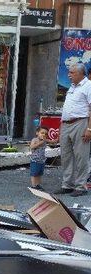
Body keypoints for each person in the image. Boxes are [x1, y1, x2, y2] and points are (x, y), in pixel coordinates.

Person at [55, 63, 91, 197]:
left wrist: (89, 128)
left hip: (80, 123)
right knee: (66, 155)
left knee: (81, 156)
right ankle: (67, 184)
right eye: (69, 72)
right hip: (66, 124)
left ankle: (81, 186)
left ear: (82, 74)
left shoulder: (88, 86)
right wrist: (61, 126)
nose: (69, 75)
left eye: (72, 73)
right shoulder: (72, 87)